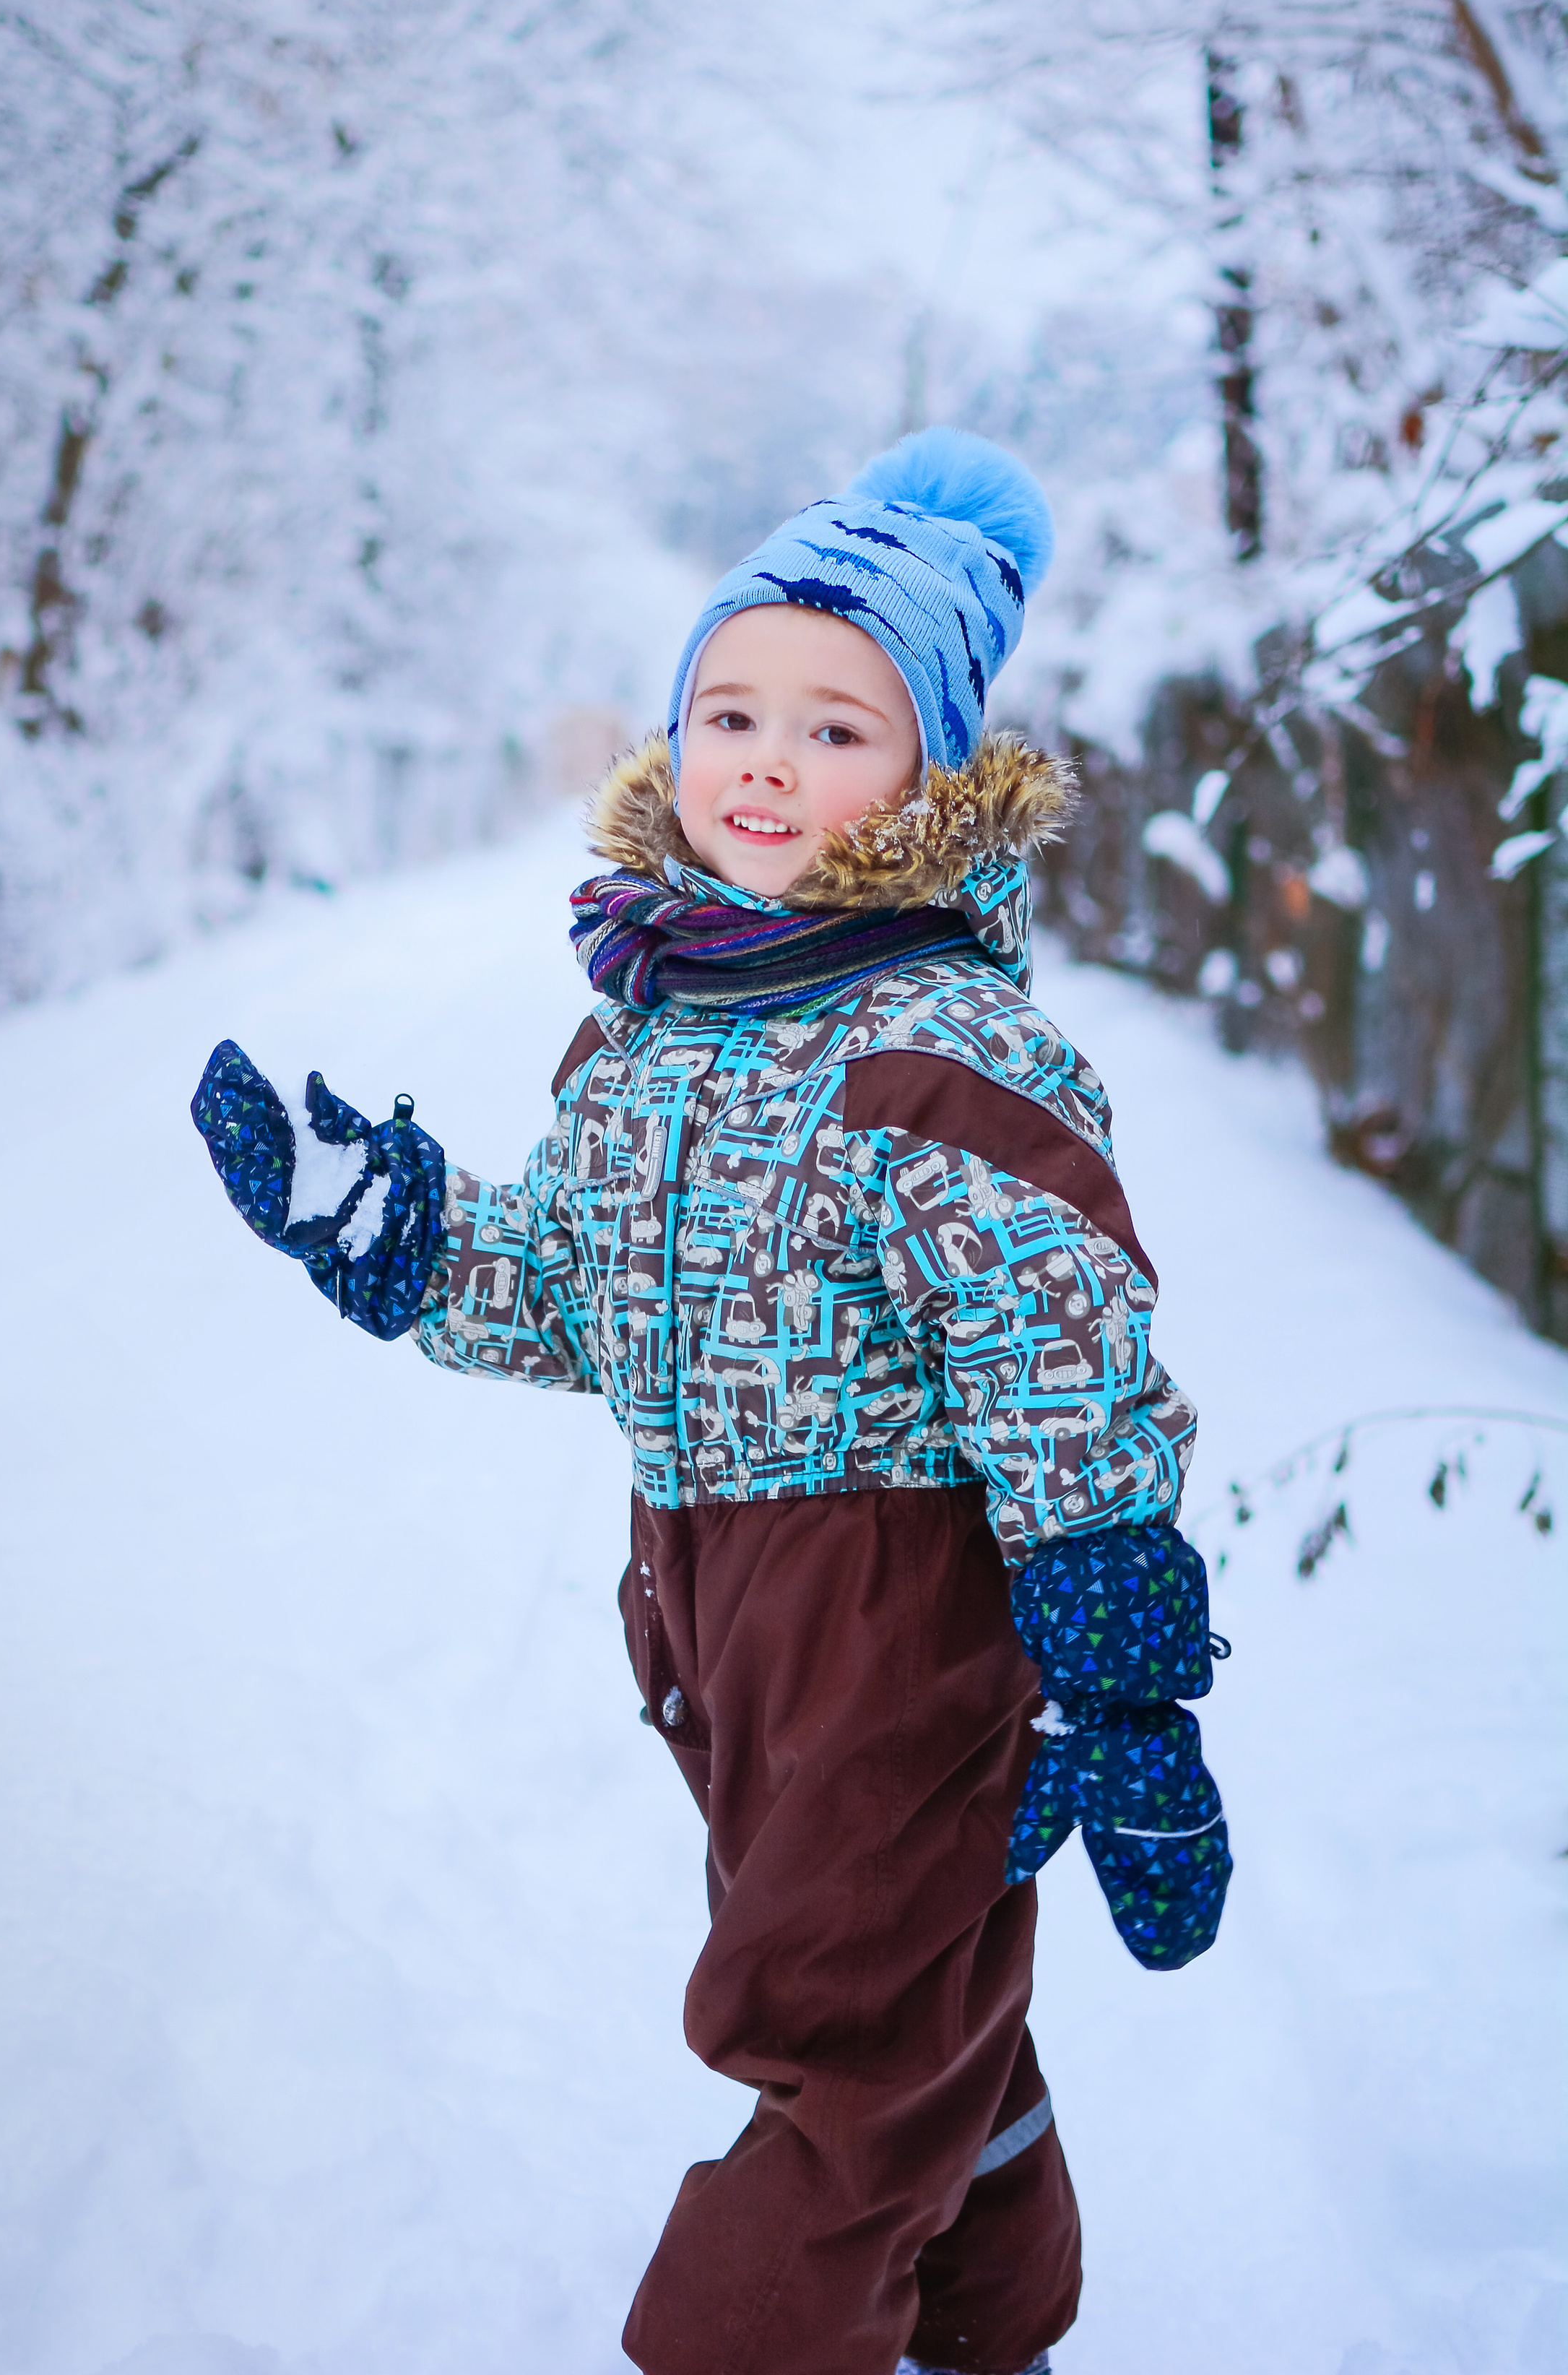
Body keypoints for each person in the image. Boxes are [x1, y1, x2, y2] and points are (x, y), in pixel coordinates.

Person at [191, 426, 1233, 2375]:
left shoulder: (943, 1045)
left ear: (936, 770)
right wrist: (393, 1233)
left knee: (830, 2046)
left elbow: (1066, 1367)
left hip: (896, 1616)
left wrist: (1126, 1684)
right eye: (731, 709)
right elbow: (578, 1304)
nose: (768, 758)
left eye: (840, 729)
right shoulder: (652, 1027)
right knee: (903, 1996)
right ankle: (993, 2316)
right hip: (711, 1604)